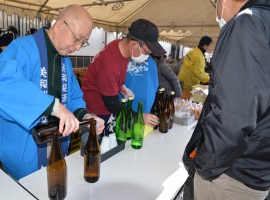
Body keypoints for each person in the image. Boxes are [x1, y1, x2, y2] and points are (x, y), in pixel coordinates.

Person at [0, 5, 104, 180]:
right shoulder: (21, 48)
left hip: (56, 142)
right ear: (59, 26)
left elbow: (73, 97)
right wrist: (53, 106)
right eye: (77, 39)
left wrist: (85, 117)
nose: (78, 47)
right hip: (24, 146)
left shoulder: (65, 61)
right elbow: (2, 86)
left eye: (83, 42)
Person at [183, 0, 270, 199]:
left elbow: (233, 118)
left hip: (230, 174)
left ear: (223, 2)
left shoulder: (247, 23)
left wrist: (205, 166)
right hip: (258, 169)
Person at [82, 19, 166, 134]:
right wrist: (141, 117)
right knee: (101, 146)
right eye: (147, 52)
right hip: (98, 111)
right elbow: (113, 105)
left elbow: (113, 78)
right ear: (133, 44)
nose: (147, 56)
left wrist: (121, 87)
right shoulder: (109, 66)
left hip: (106, 102)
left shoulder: (120, 46)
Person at [124, 56, 160, 127]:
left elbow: (154, 86)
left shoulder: (151, 62)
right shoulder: (125, 60)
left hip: (144, 114)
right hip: (127, 112)